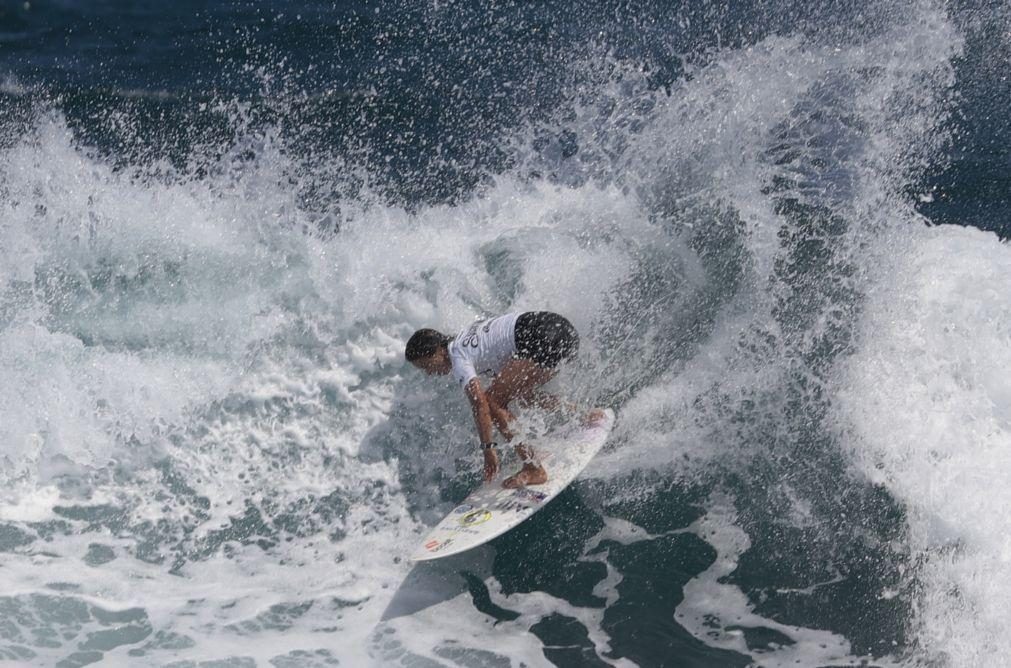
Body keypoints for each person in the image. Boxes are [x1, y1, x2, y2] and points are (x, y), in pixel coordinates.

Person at [405, 311, 602, 488]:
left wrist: (488, 449)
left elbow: (480, 404)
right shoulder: (464, 338)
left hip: (543, 338)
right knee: (524, 396)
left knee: (493, 400)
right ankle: (584, 414)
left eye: (426, 365)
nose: (429, 373)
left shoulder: (457, 356)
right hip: (561, 329)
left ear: (438, 351)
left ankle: (534, 468)